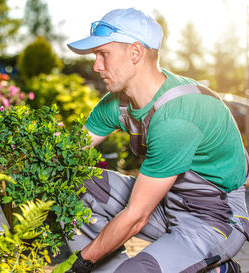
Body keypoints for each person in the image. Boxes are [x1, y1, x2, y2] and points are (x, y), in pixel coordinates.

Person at [52, 7, 249, 273]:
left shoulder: (177, 118)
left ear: (135, 52)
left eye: (103, 54)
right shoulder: (117, 103)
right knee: (73, 184)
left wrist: (79, 263)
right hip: (166, 202)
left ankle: (219, 269)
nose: (96, 65)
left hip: (214, 217)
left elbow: (136, 216)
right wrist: (27, 150)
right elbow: (67, 152)